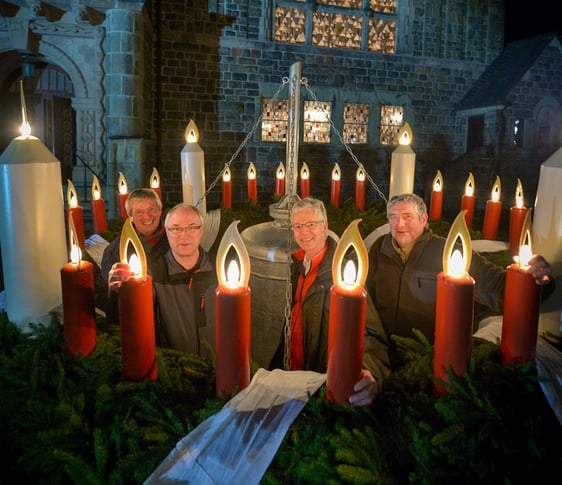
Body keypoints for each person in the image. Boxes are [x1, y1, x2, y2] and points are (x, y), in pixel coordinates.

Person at [366, 193, 553, 361]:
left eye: (407, 217)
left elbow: (499, 288)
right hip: (381, 354)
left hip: (431, 358)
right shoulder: (378, 249)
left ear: (423, 219)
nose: (399, 224)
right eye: (393, 217)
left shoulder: (449, 252)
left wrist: (533, 280)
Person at [269, 197, 390, 407]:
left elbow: (368, 331)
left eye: (310, 225)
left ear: (324, 226)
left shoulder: (343, 276)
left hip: (321, 382)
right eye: (298, 226)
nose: (303, 232)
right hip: (292, 377)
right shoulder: (298, 266)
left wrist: (371, 371)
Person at [109, 203, 217, 357]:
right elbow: (131, 320)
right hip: (176, 368)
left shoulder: (221, 270)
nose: (184, 235)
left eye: (192, 227)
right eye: (176, 228)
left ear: (202, 230)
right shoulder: (153, 275)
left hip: (220, 366)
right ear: (167, 232)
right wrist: (119, 293)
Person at [96, 188, 170, 321]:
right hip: (133, 318)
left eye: (152, 209)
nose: (147, 216)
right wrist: (112, 289)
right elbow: (103, 296)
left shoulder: (176, 240)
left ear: (160, 210)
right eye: (139, 212)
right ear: (130, 216)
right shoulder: (115, 250)